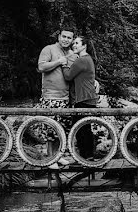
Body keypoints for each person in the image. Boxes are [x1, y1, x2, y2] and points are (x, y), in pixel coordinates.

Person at [36, 28, 76, 165]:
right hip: (50, 97)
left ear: (72, 40)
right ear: (59, 37)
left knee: (61, 130)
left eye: (69, 38)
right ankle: (50, 159)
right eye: (63, 36)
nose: (66, 39)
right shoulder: (49, 49)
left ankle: (58, 157)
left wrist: (93, 80)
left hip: (65, 98)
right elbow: (41, 67)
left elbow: (77, 73)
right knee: (50, 130)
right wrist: (59, 62)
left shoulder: (72, 54)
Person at [62, 35, 98, 160]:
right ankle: (88, 156)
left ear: (84, 46)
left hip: (84, 99)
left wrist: (64, 64)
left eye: (77, 43)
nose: (74, 45)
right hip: (89, 98)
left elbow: (68, 76)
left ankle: (86, 156)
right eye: (74, 43)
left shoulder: (81, 60)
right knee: (84, 128)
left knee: (80, 129)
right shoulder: (87, 59)